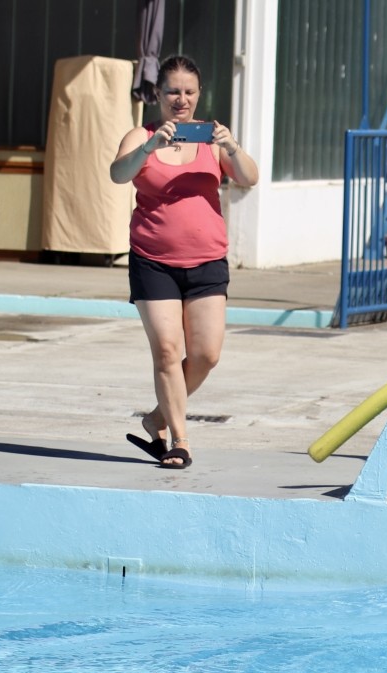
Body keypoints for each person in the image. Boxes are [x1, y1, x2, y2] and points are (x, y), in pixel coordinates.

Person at [110, 55, 259, 469]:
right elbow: (118, 174)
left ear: (199, 95)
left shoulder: (211, 139)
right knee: (167, 350)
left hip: (207, 262)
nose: (181, 99)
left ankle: (156, 417)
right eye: (173, 91)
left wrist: (231, 146)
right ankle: (179, 440)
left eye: (189, 92)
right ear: (158, 94)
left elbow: (249, 177)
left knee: (206, 355)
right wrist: (148, 148)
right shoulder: (141, 135)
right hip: (153, 261)